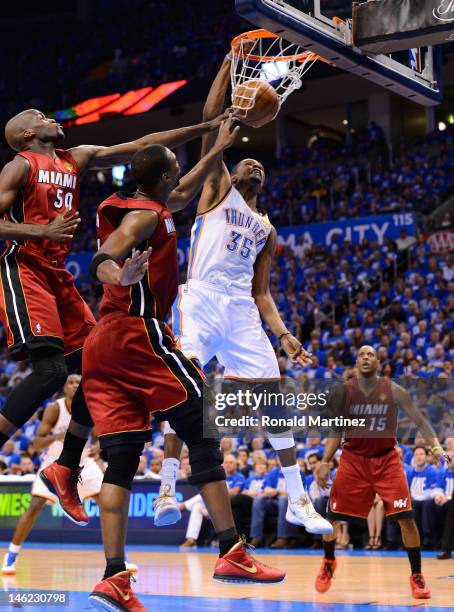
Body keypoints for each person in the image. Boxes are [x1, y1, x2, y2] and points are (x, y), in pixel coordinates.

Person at [76, 118, 286, 609]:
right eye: (177, 168)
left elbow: (192, 183)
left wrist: (220, 143)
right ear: (165, 179)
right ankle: (231, 549)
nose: (182, 174)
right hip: (138, 331)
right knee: (202, 424)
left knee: (122, 460)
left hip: (101, 345)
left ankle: (113, 574)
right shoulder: (146, 217)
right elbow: (101, 256)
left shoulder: (149, 201)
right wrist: (118, 271)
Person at [0, 107, 226, 525]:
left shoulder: (75, 158)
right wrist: (39, 232)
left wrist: (204, 126)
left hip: (56, 273)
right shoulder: (19, 166)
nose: (50, 116)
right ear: (26, 133)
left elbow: (143, 145)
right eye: (39, 115)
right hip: (23, 267)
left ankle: (65, 467)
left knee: (95, 365)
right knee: (51, 371)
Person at [156, 50, 332, 538]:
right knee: (185, 385)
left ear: (263, 182)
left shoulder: (266, 228)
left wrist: (285, 335)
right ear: (233, 174)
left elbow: (263, 293)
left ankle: (298, 498)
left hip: (241, 312)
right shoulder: (216, 189)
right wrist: (227, 65)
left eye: (260, 164)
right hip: (202, 300)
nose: (253, 163)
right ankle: (169, 485)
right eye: (247, 160)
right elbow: (211, 118)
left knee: (274, 397)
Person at [316, 345, 446, 599]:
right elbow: (335, 430)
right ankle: (329, 561)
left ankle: (417, 576)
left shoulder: (395, 390)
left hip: (386, 460)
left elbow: (420, 420)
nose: (366, 357)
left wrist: (437, 448)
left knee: (406, 518)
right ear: (356, 362)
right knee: (330, 517)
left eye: (371, 354)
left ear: (378, 362)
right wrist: (324, 460)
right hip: (353, 460)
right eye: (362, 354)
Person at [1, 374, 137, 574]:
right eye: (71, 382)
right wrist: (60, 435)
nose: (75, 385)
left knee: (108, 502)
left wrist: (97, 450)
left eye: (78, 382)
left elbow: (98, 436)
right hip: (54, 463)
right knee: (35, 506)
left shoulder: (90, 405)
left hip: (84, 463)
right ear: (65, 388)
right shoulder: (55, 408)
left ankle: (121, 557)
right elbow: (36, 444)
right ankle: (12, 555)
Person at [179, 454, 245, 549]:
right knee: (197, 506)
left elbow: (234, 492)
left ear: (236, 465)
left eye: (231, 462)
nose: (228, 465)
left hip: (227, 508)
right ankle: (191, 540)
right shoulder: (220, 477)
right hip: (212, 507)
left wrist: (218, 492)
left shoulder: (239, 477)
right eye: (226, 462)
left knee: (210, 493)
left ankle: (183, 506)